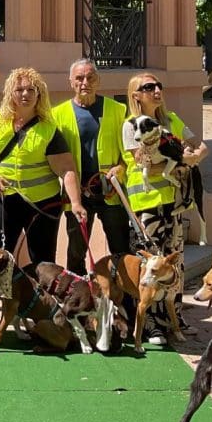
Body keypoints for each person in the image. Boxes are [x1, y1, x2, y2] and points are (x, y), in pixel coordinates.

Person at [0, 67, 84, 331]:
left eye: (31, 90)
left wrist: (75, 202)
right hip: (5, 199)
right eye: (20, 89)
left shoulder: (48, 128)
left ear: (39, 94)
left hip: (41, 205)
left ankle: (45, 310)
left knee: (42, 260)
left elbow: (66, 169)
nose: (25, 94)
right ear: (10, 92)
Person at [121, 72, 208, 344]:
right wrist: (184, 160)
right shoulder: (131, 125)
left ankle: (174, 317)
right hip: (147, 203)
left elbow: (201, 146)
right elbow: (142, 162)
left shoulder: (172, 121)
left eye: (158, 86)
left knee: (175, 263)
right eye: (148, 87)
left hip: (175, 202)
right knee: (151, 267)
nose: (156, 90)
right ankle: (150, 325)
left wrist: (194, 157)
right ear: (136, 95)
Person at [51, 58, 130, 274]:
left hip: (109, 191)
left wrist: (121, 168)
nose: (85, 82)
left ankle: (124, 299)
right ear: (71, 82)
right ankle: (78, 298)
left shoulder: (118, 110)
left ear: (98, 81)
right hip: (76, 193)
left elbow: (131, 151)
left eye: (90, 77)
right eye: (79, 78)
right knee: (76, 250)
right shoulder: (57, 114)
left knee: (121, 247)